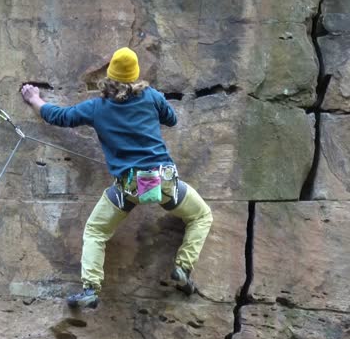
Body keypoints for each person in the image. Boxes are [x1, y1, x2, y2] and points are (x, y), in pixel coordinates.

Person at [20, 47, 213, 309]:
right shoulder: (151, 97)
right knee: (201, 216)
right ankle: (183, 267)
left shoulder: (96, 108)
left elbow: (60, 117)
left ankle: (90, 288)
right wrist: (153, 102)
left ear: (109, 76)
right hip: (163, 182)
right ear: (136, 76)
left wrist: (35, 99)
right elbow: (172, 119)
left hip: (130, 187)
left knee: (96, 231)